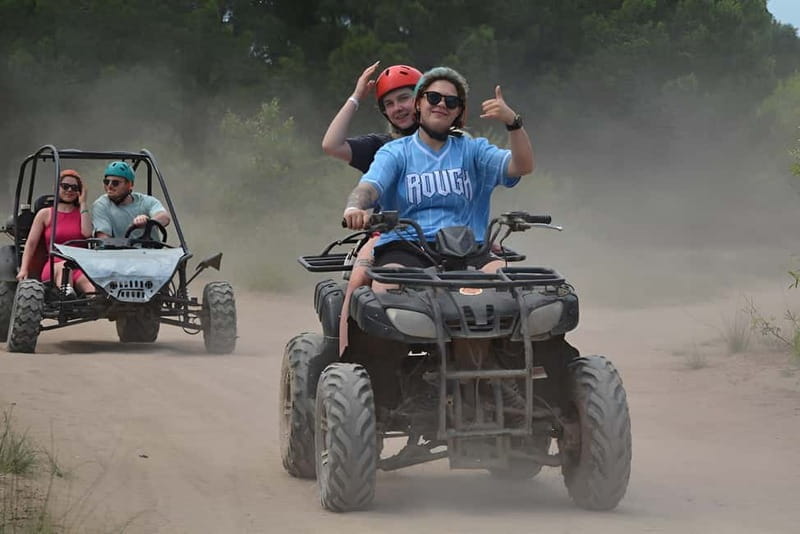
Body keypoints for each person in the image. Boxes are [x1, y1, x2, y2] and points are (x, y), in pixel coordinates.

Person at [342, 66, 534, 280]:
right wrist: (354, 207)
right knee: (388, 285)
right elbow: (369, 187)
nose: (441, 104)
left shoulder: (474, 150)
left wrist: (513, 123)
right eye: (433, 98)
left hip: (469, 249)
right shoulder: (394, 152)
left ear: (458, 111)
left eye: (451, 101)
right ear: (418, 103)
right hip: (406, 247)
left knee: (511, 282)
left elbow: (522, 166)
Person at [322, 61, 423, 354]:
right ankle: (346, 356)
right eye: (389, 104)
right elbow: (331, 145)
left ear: (422, 99)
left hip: (446, 233)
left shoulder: (450, 144)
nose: (398, 108)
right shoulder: (383, 147)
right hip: (389, 234)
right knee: (359, 280)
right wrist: (356, 97)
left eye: (404, 98)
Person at [17, 169, 94, 294]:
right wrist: (24, 269)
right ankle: (67, 295)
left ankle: (94, 302)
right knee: (65, 268)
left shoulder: (82, 213)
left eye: (74, 188)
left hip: (79, 266)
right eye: (65, 186)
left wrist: (83, 203)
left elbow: (87, 233)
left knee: (91, 288)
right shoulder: (45, 214)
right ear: (57, 188)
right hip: (55, 265)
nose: (69, 190)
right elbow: (31, 244)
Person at [92, 161, 170, 238]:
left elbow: (164, 217)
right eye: (106, 182)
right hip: (120, 247)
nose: (109, 186)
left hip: (152, 246)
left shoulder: (145, 201)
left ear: (130, 185)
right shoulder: (101, 205)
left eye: (115, 183)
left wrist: (148, 221)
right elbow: (103, 239)